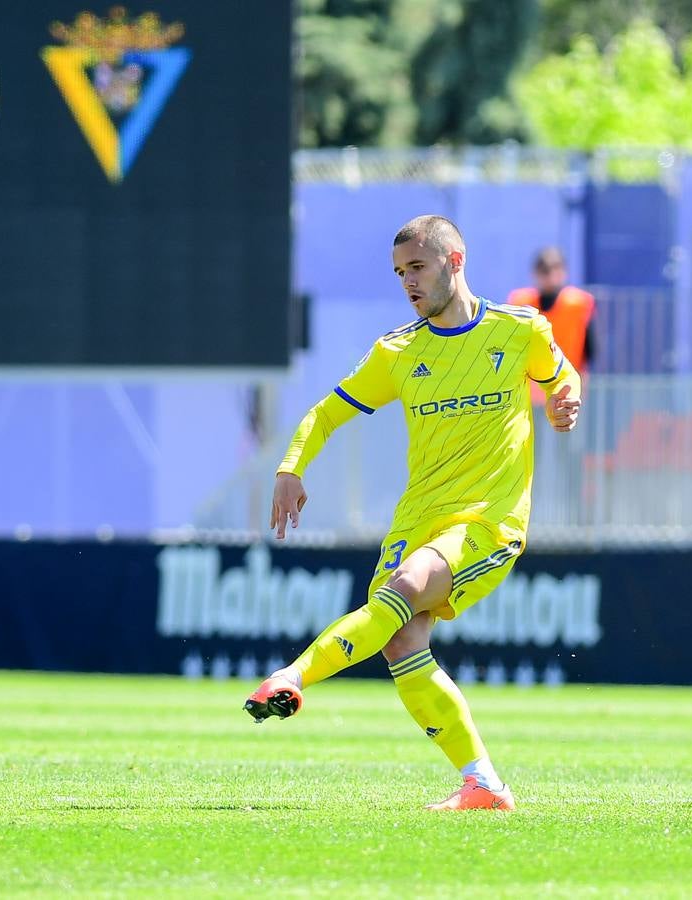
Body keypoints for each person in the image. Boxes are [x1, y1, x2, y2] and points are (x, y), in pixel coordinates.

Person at [243, 215, 582, 812]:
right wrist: (290, 468)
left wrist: (564, 400)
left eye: (418, 268)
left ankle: (292, 676)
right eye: (400, 273)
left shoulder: (519, 330)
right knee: (400, 641)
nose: (408, 283)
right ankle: (483, 784)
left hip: (487, 521)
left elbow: (562, 376)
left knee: (404, 589)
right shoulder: (398, 351)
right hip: (417, 520)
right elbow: (325, 415)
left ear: (455, 261)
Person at [507, 247, 595, 404]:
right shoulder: (522, 304)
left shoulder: (578, 304)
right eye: (545, 270)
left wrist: (583, 379)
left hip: (566, 385)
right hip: (529, 389)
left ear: (564, 271)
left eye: (555, 269)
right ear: (536, 273)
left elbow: (589, 347)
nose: (551, 276)